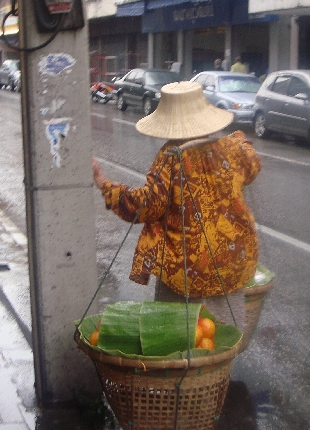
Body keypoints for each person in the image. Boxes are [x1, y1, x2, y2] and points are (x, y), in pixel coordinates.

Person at [92, 81, 261, 326]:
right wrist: (232, 144)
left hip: (185, 269)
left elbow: (146, 206)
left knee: (181, 337)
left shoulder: (172, 157)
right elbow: (253, 165)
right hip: (231, 260)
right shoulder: (232, 149)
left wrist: (104, 183)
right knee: (222, 336)